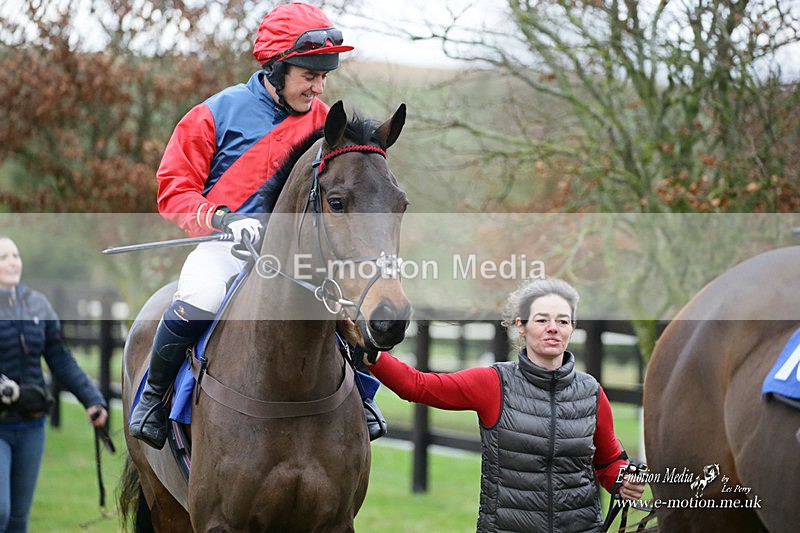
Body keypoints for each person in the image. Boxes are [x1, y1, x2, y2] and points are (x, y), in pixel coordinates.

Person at [129, 2, 389, 449]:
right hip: (226, 245)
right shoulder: (214, 113)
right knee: (201, 296)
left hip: (298, 255)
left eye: (324, 77)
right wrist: (219, 219)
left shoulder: (330, 125)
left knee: (351, 304)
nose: (318, 86)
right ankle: (152, 400)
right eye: (309, 75)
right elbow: (174, 188)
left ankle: (361, 398)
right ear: (276, 67)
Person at [364, 277, 646, 533]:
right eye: (541, 320)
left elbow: (609, 461)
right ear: (520, 326)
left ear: (572, 328)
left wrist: (624, 481)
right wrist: (370, 352)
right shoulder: (492, 383)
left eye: (563, 321)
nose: (553, 329)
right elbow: (418, 386)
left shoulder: (591, 392)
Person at [0, 236, 109, 533]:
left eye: (15, 255)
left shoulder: (38, 304)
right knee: (1, 510)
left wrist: (92, 399)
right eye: (3, 257)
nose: (12, 262)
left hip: (32, 427)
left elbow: (59, 358)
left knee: (18, 519)